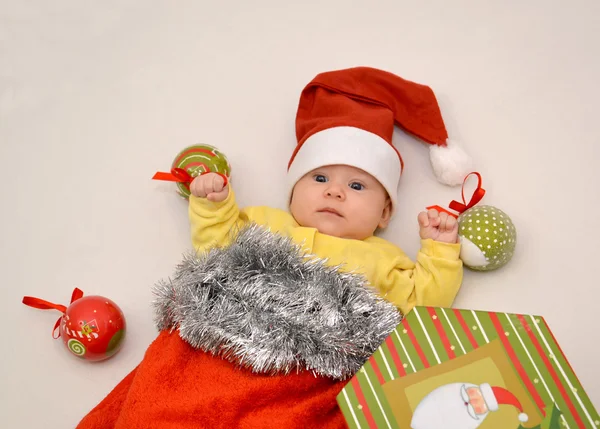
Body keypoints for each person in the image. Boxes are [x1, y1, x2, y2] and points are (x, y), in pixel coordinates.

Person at [188, 66, 472, 316]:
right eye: (320, 178)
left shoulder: (382, 260)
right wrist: (213, 204)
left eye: (356, 185)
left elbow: (424, 304)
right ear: (292, 193)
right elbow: (216, 250)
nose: (335, 192)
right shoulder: (266, 224)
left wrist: (440, 250)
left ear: (384, 213)